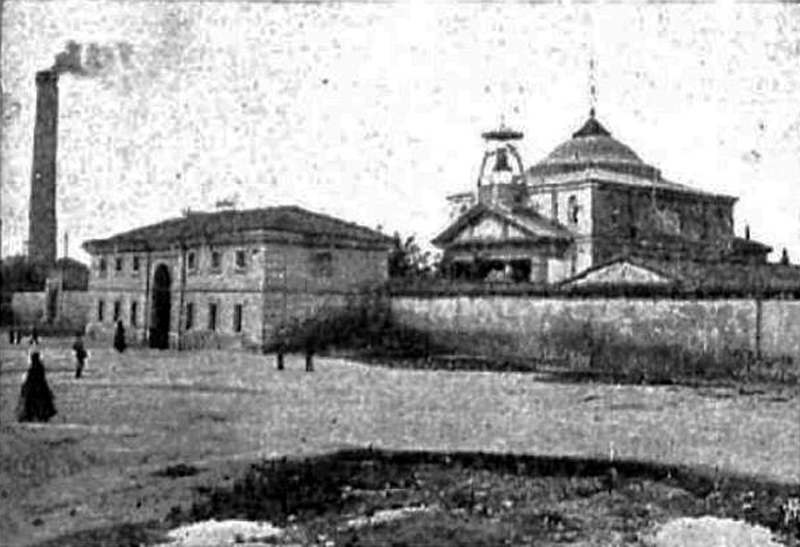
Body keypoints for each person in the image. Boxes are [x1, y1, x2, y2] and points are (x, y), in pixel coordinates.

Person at [16, 349, 57, 423]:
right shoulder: (40, 367)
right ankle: (42, 415)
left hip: (33, 388)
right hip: (40, 387)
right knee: (43, 402)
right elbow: (42, 378)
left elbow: (29, 378)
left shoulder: (32, 368)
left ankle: (29, 416)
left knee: (29, 402)